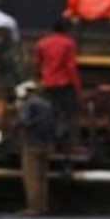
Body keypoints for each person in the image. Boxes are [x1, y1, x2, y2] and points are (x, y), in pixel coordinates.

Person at [34, 18, 82, 155]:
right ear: (67, 30)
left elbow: (37, 64)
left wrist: (39, 80)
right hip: (64, 85)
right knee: (69, 116)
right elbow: (70, 67)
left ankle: (49, 145)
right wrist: (77, 86)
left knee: (49, 115)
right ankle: (69, 146)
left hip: (48, 85)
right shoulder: (69, 43)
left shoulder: (42, 43)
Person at [16, 81, 56, 215]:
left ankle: (33, 208)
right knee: (42, 178)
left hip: (32, 144)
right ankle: (43, 206)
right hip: (46, 144)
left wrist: (17, 121)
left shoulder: (29, 104)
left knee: (31, 178)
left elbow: (24, 121)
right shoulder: (47, 104)